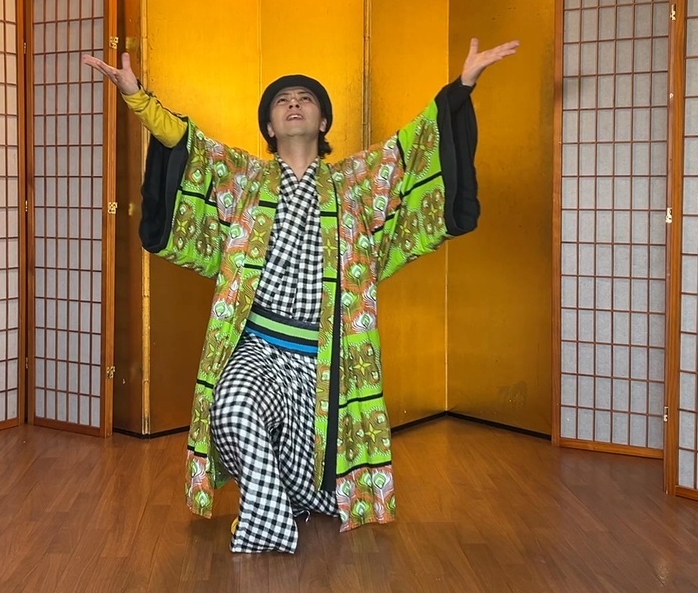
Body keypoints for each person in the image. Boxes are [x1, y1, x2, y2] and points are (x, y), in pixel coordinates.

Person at [83, 38, 518, 554]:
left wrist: (462, 86)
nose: (294, 104)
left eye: (305, 99)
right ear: (269, 126)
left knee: (323, 478)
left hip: (329, 359)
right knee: (232, 408)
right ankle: (269, 522)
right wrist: (136, 96)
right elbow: (186, 144)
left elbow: (417, 145)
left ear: (323, 122)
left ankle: (297, 495)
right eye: (282, 100)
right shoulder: (243, 178)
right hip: (260, 348)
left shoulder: (358, 182)